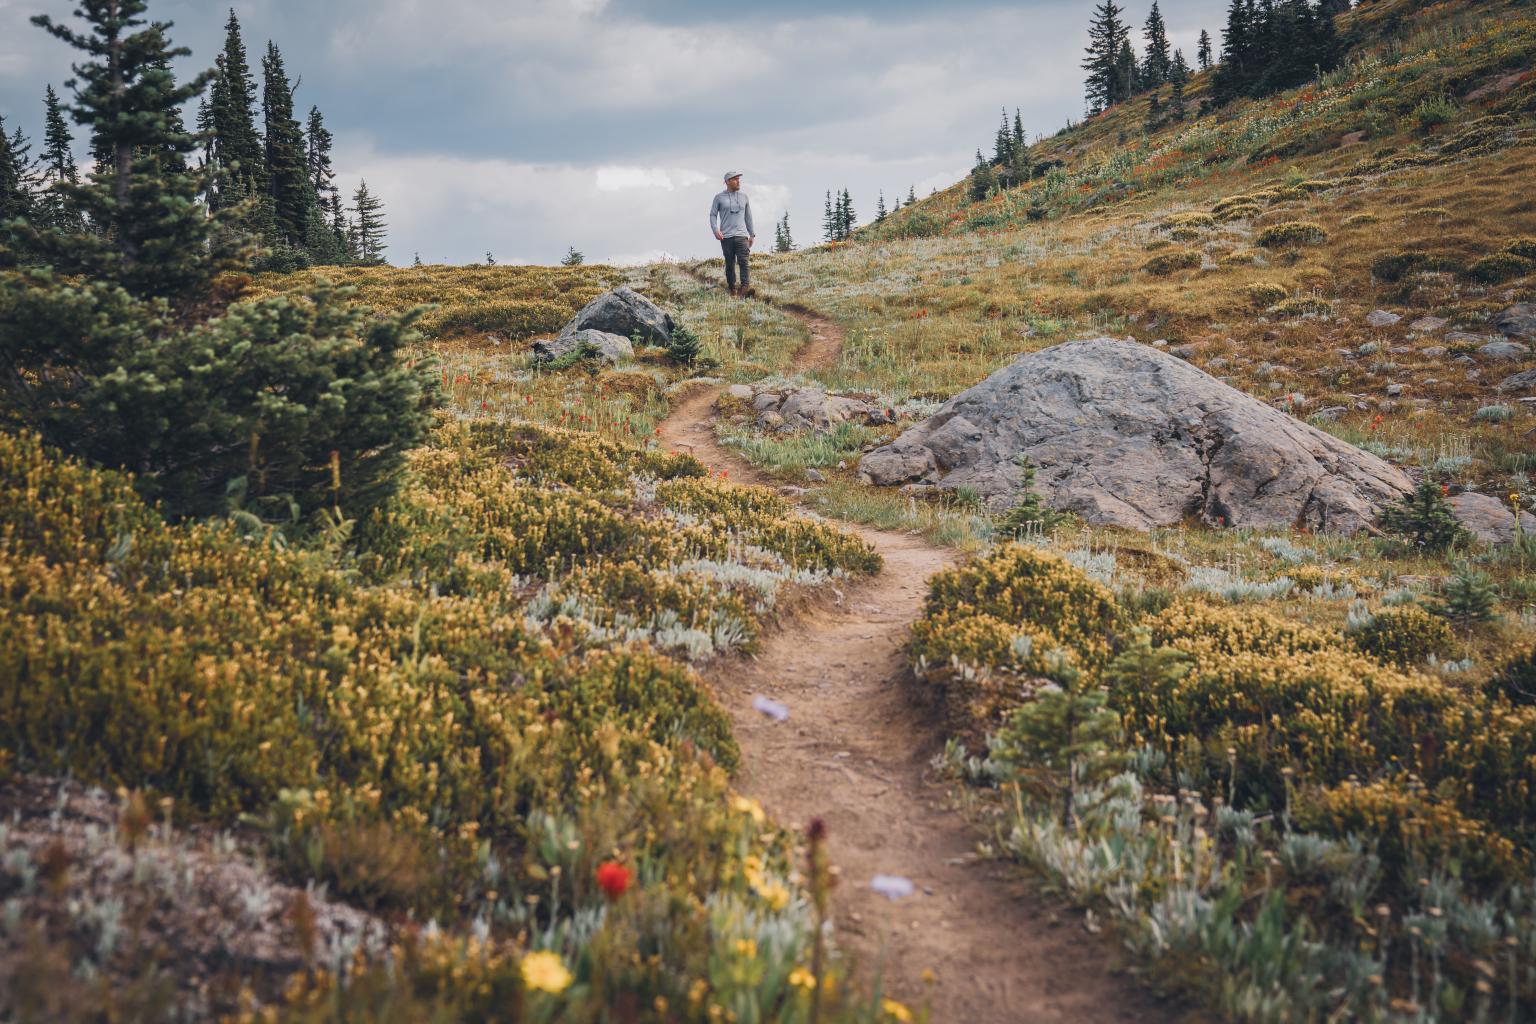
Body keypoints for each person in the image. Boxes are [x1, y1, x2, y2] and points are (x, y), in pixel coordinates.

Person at [709, 171, 755, 297]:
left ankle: (744, 288)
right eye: (735, 179)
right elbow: (713, 214)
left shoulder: (744, 197)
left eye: (739, 179)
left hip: (742, 236)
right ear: (727, 182)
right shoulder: (719, 197)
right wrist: (715, 230)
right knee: (730, 264)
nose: (738, 181)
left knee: (744, 261)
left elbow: (748, 217)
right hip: (726, 237)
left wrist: (752, 234)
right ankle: (732, 288)